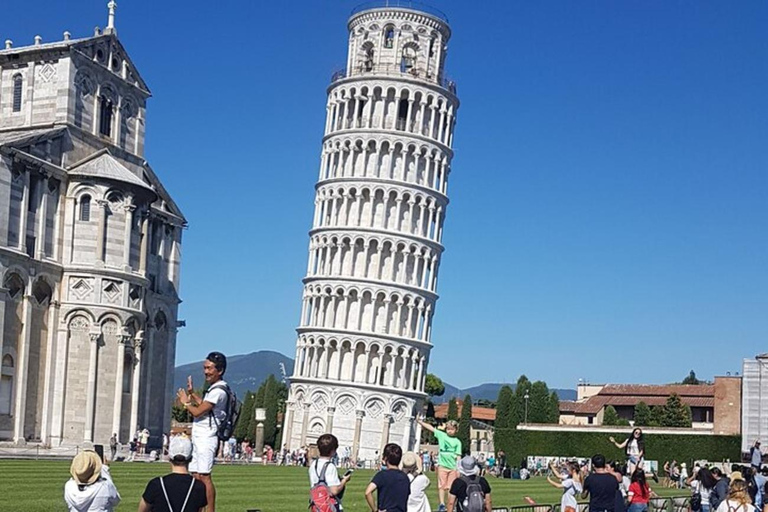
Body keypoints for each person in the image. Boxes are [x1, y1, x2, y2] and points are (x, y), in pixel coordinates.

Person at [176, 351, 230, 512]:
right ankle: (197, 508)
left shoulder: (219, 391)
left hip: (207, 436)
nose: (205, 372)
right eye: (204, 368)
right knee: (196, 475)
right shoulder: (215, 389)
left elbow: (198, 412)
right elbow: (205, 406)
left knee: (204, 476)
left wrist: (186, 403)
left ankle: (210, 510)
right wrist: (193, 394)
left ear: (219, 370)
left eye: (209, 368)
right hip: (201, 436)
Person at [138, 435, 207, 512]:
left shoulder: (156, 484)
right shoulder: (199, 486)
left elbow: (142, 510)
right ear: (191, 458)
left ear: (170, 457)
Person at [416, 418, 461, 512]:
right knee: (441, 486)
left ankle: (450, 503)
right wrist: (420, 422)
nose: (450, 431)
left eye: (452, 429)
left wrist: (458, 469)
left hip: (452, 467)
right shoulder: (442, 435)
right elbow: (431, 428)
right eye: (448, 429)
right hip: (442, 466)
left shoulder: (457, 442)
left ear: (456, 430)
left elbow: (458, 456)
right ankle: (441, 504)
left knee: (450, 487)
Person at [309, 433, 351, 511]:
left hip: (316, 505)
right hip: (329, 506)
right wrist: (344, 481)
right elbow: (334, 490)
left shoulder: (313, 464)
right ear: (333, 450)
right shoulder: (330, 467)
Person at [365, 443, 410, 512]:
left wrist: (375, 510)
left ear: (385, 458)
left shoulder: (382, 475)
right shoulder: (405, 477)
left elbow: (368, 492)